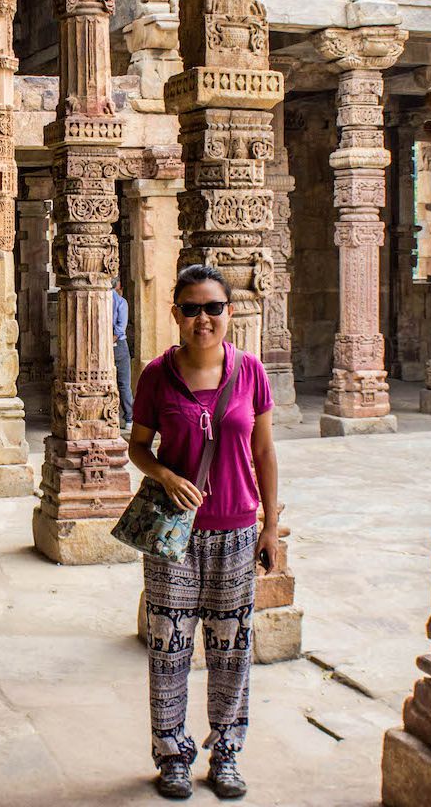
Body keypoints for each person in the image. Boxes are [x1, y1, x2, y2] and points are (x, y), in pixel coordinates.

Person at [128, 264, 279, 800]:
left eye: (213, 307)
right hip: (175, 537)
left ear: (229, 312)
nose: (203, 319)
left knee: (231, 649)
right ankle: (172, 754)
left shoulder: (250, 372)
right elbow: (138, 447)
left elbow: (264, 452)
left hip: (236, 530)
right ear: (176, 314)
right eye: (191, 308)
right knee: (169, 649)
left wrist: (270, 526)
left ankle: (227, 753)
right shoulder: (157, 375)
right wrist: (165, 475)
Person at [112, 277, 133, 431]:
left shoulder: (100, 300)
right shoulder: (120, 302)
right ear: (118, 284)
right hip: (118, 345)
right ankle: (129, 419)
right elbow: (120, 329)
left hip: (100, 345)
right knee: (124, 384)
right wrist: (110, 341)